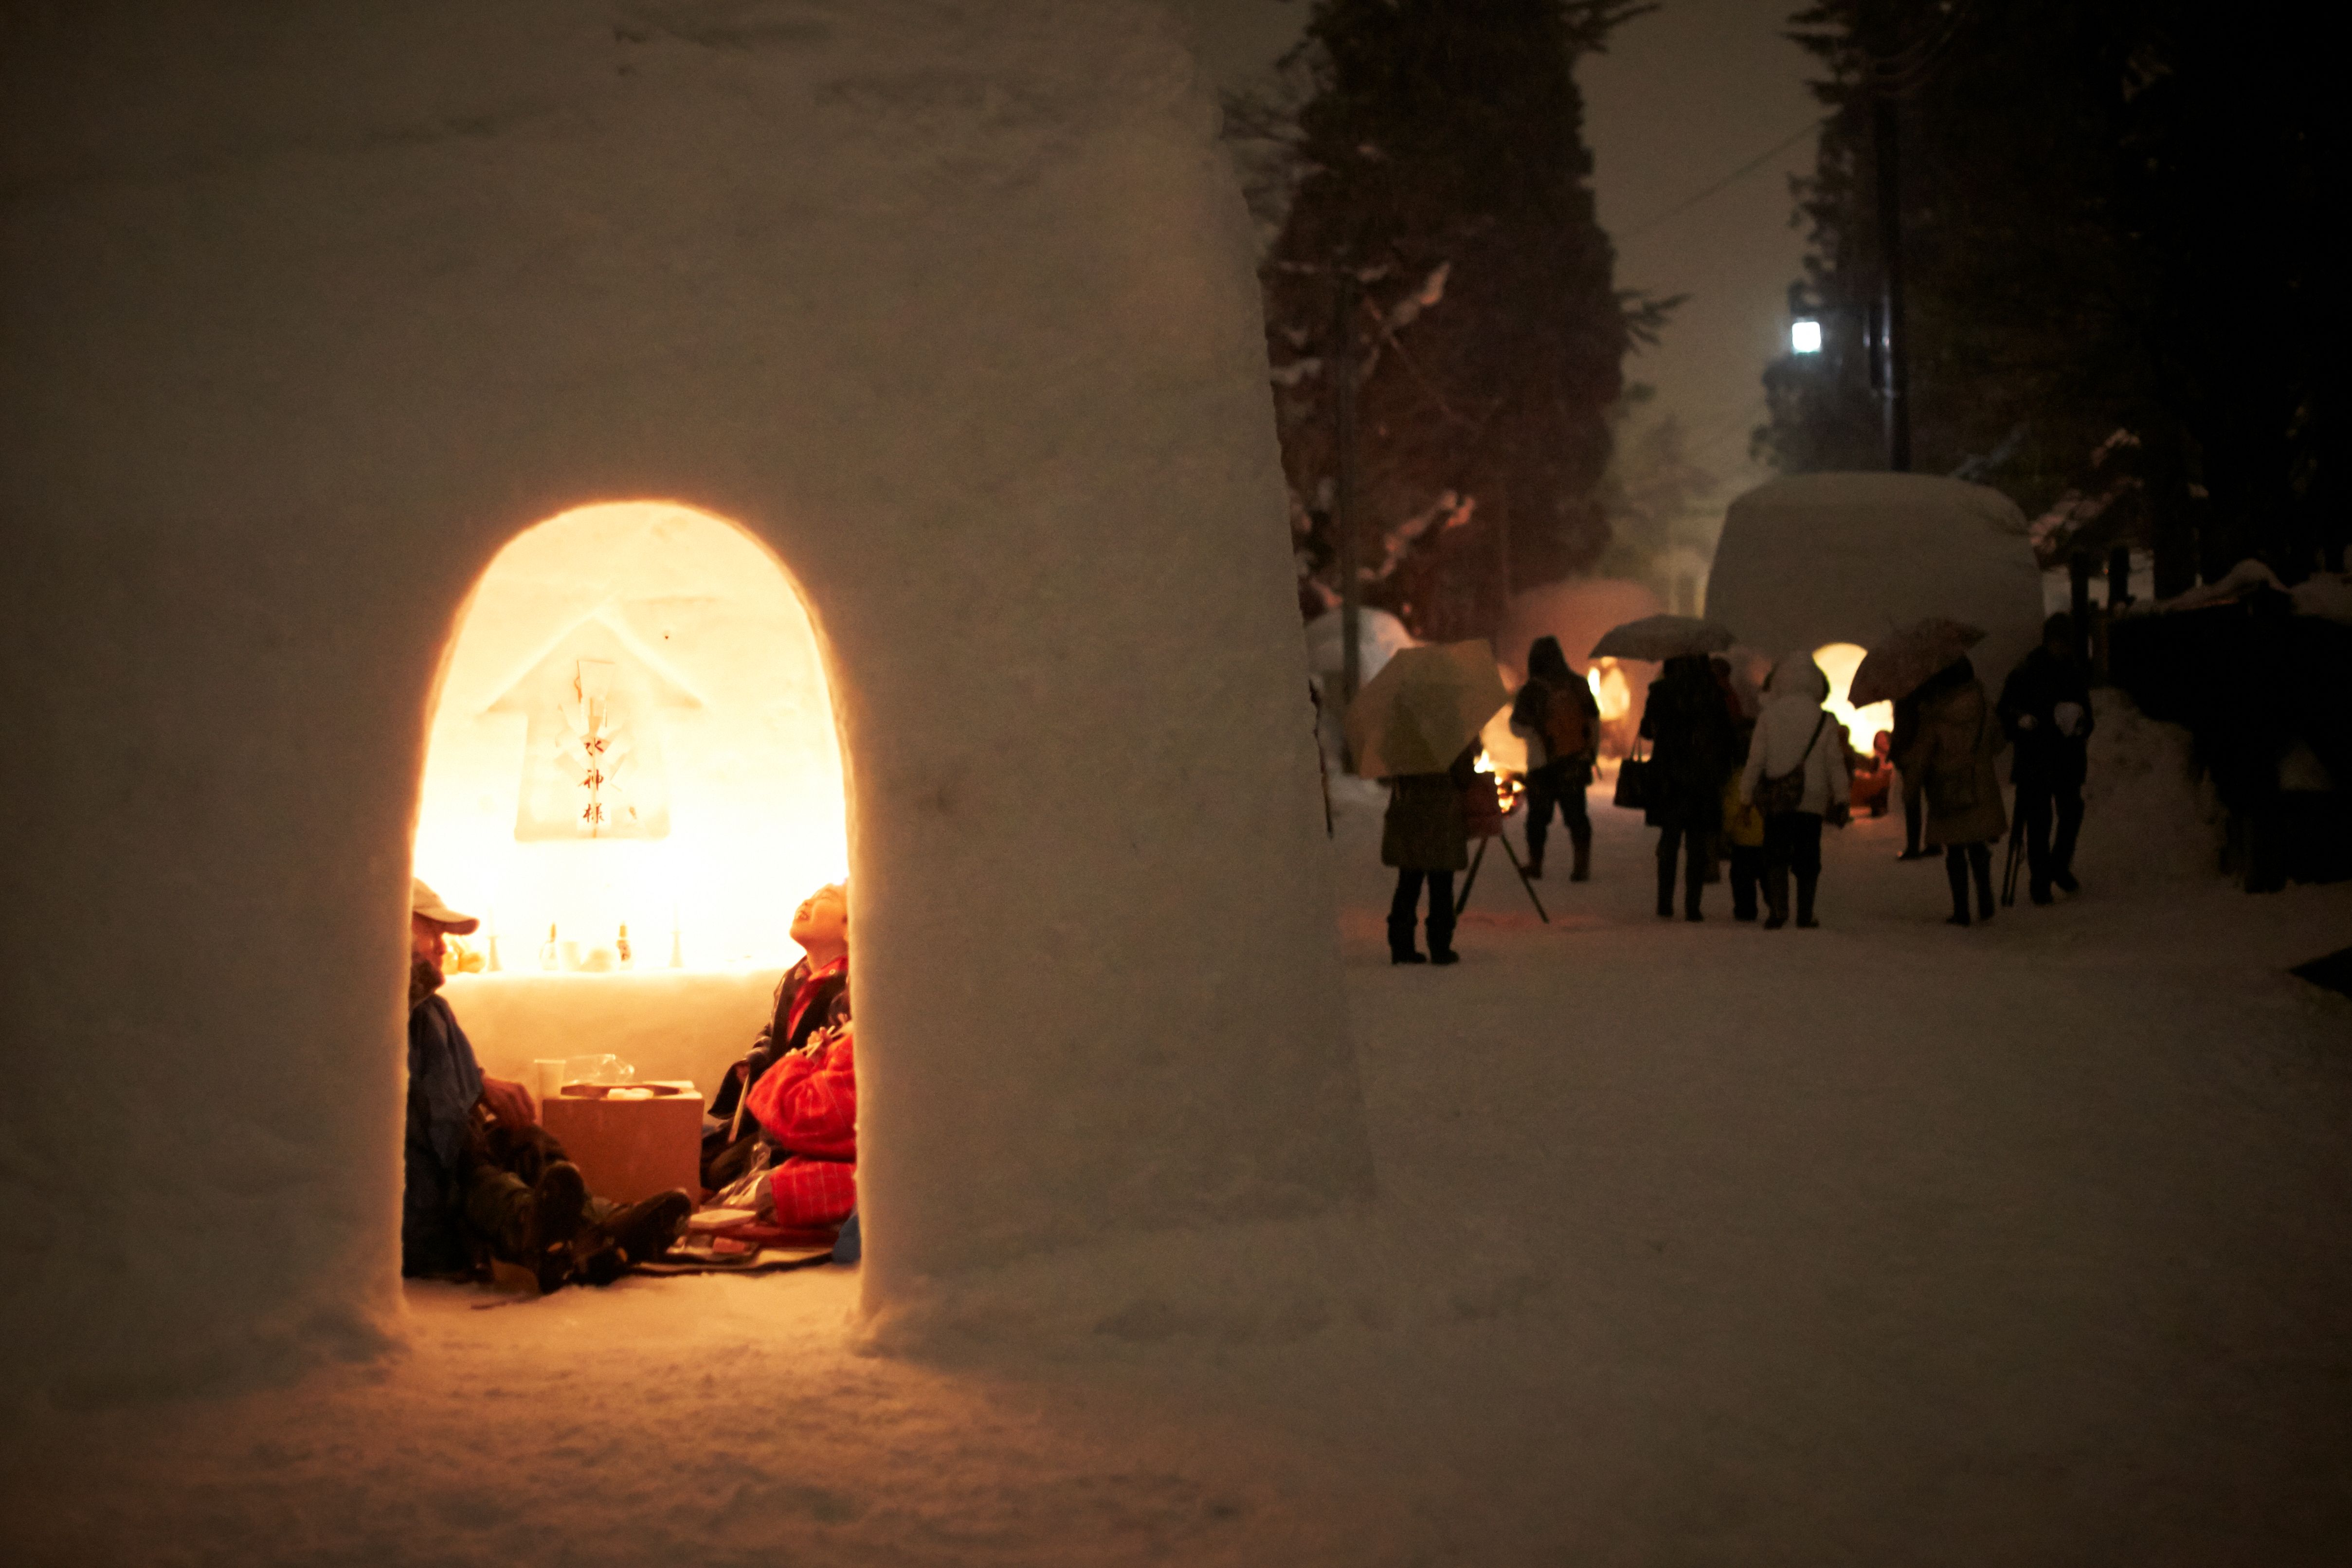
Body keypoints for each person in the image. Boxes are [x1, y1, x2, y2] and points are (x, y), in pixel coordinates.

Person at [404, 879, 691, 1290]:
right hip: (428, 1198)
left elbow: (455, 1106)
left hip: (456, 1164)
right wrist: (479, 1103)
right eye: (430, 930)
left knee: (530, 1142)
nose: (444, 946)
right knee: (480, 1175)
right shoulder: (369, 1019)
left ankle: (600, 1226)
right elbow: (441, 1140)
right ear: (392, 925)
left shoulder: (432, 1012)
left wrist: (483, 1086)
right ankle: (533, 1233)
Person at [703, 883, 850, 1190]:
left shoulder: (849, 986)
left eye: (824, 898)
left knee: (724, 1170)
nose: (807, 901)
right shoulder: (793, 978)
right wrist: (755, 1060)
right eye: (809, 895)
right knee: (701, 1151)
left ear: (849, 927)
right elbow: (774, 1032)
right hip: (775, 1105)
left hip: (805, 1116)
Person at [1738, 652, 1851, 929]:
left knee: (1775, 853)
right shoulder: (1824, 719)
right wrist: (1842, 796)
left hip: (1779, 795)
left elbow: (1756, 760)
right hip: (1813, 797)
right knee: (1808, 855)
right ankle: (1805, 912)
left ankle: (1778, 910)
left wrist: (1745, 796)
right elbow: (1835, 762)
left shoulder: (1769, 716)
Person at [1997, 613, 2094, 904]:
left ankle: (2058, 866)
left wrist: (2080, 725)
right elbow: (2006, 711)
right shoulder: (2026, 671)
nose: (2064, 649)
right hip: (2036, 758)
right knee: (2039, 821)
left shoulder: (2074, 672)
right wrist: (2020, 722)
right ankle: (2041, 879)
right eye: (2060, 642)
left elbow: (2088, 716)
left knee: (2071, 813)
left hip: (2066, 758)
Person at [1638, 654, 1738, 920]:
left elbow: (1647, 731)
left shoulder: (1660, 691)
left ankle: (1665, 903)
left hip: (1669, 776)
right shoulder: (1712, 693)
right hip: (1702, 778)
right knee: (1696, 842)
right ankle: (1693, 906)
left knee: (1669, 840)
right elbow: (1727, 735)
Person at [1909, 657, 2009, 926]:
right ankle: (1986, 901)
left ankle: (1962, 910)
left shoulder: (1935, 714)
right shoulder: (1983, 706)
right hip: (1981, 784)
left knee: (1955, 851)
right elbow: (1999, 742)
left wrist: (1914, 783)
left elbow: (1921, 756)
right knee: (1978, 844)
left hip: (1949, 788)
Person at [1508, 636, 1601, 881]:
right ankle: (1581, 865)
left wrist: (1538, 733)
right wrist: (1589, 753)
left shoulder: (1531, 691)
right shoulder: (1578, 685)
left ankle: (1535, 864)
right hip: (1574, 763)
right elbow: (1593, 720)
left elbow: (1516, 726)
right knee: (1577, 816)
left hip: (1542, 765)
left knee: (1537, 819)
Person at [1383, 741, 1479, 964]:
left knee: (1408, 883)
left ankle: (1402, 946)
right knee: (1442, 886)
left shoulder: (1402, 735)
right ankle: (1440, 947)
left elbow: (1389, 772)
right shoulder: (1450, 735)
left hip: (1410, 814)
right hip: (1442, 819)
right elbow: (1465, 778)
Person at [1891, 692, 1934, 860]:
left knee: (1912, 801)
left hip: (1910, 754)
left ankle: (1914, 847)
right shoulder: (1928, 696)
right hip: (1928, 752)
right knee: (1931, 797)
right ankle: (1933, 842)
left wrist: (1897, 752)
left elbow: (1903, 728)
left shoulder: (1905, 700)